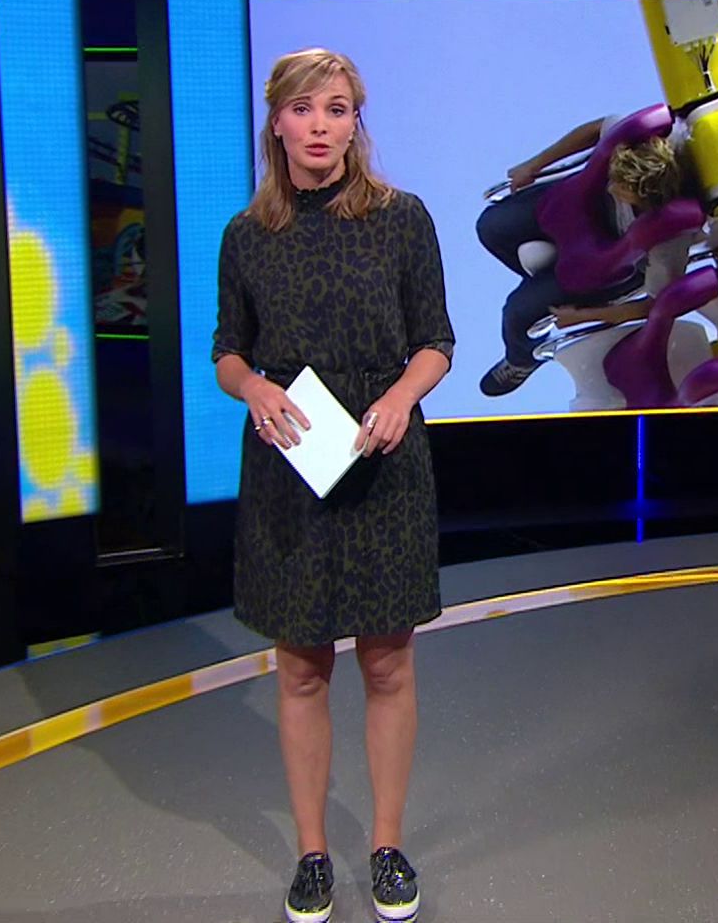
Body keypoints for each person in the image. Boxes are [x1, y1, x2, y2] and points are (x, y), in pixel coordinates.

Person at [211, 48, 454, 923]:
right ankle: (312, 856)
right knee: (302, 668)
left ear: (357, 123)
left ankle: (386, 847)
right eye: (305, 109)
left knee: (388, 663)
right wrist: (253, 387)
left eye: (338, 109)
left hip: (383, 460)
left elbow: (436, 341)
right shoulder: (247, 236)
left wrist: (400, 398)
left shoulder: (402, 218)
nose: (321, 126)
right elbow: (228, 351)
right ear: (276, 122)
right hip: (293, 463)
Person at [474, 111, 696, 397]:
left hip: (608, 264)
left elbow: (656, 304)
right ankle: (544, 281)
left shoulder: (668, 241)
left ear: (642, 197)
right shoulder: (638, 140)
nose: (611, 186)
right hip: (573, 207)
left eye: (620, 188)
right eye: (613, 177)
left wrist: (585, 315)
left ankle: (521, 360)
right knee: (491, 226)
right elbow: (594, 130)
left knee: (517, 313)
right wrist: (534, 165)